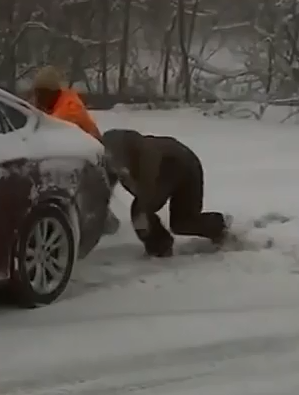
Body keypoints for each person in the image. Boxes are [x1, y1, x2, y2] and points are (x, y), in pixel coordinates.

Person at [100, 128, 231, 257]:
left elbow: (148, 191)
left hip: (183, 166)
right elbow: (105, 188)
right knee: (170, 219)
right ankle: (160, 247)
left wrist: (143, 209)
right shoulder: (106, 157)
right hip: (173, 163)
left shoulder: (148, 156)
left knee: (150, 215)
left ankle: (219, 227)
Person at [29, 66, 103, 142]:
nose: (37, 99)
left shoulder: (69, 109)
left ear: (52, 92)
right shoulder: (55, 103)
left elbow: (51, 137)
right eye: (36, 94)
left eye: (41, 94)